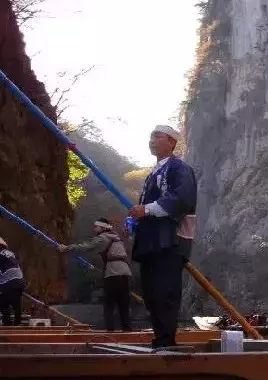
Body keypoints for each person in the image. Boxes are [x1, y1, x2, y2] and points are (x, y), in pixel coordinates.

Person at [128, 124, 197, 348]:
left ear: (171, 142)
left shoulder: (179, 169)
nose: (151, 140)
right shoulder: (152, 175)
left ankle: (167, 341)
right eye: (150, 136)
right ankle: (160, 339)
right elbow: (146, 207)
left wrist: (146, 209)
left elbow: (182, 199)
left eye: (157, 136)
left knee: (165, 291)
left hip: (171, 240)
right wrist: (137, 216)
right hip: (151, 241)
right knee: (151, 293)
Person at [58, 218, 132, 331]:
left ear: (102, 228)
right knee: (123, 304)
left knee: (109, 304)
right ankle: (127, 330)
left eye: (96, 227)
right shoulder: (116, 238)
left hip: (112, 273)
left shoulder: (103, 238)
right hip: (125, 272)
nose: (94, 229)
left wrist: (67, 248)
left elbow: (86, 247)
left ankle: (110, 332)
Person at [0, 237, 25, 326]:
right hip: (20, 281)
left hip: (9, 282)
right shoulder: (10, 253)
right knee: (16, 304)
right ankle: (18, 324)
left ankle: (8, 325)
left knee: (3, 304)